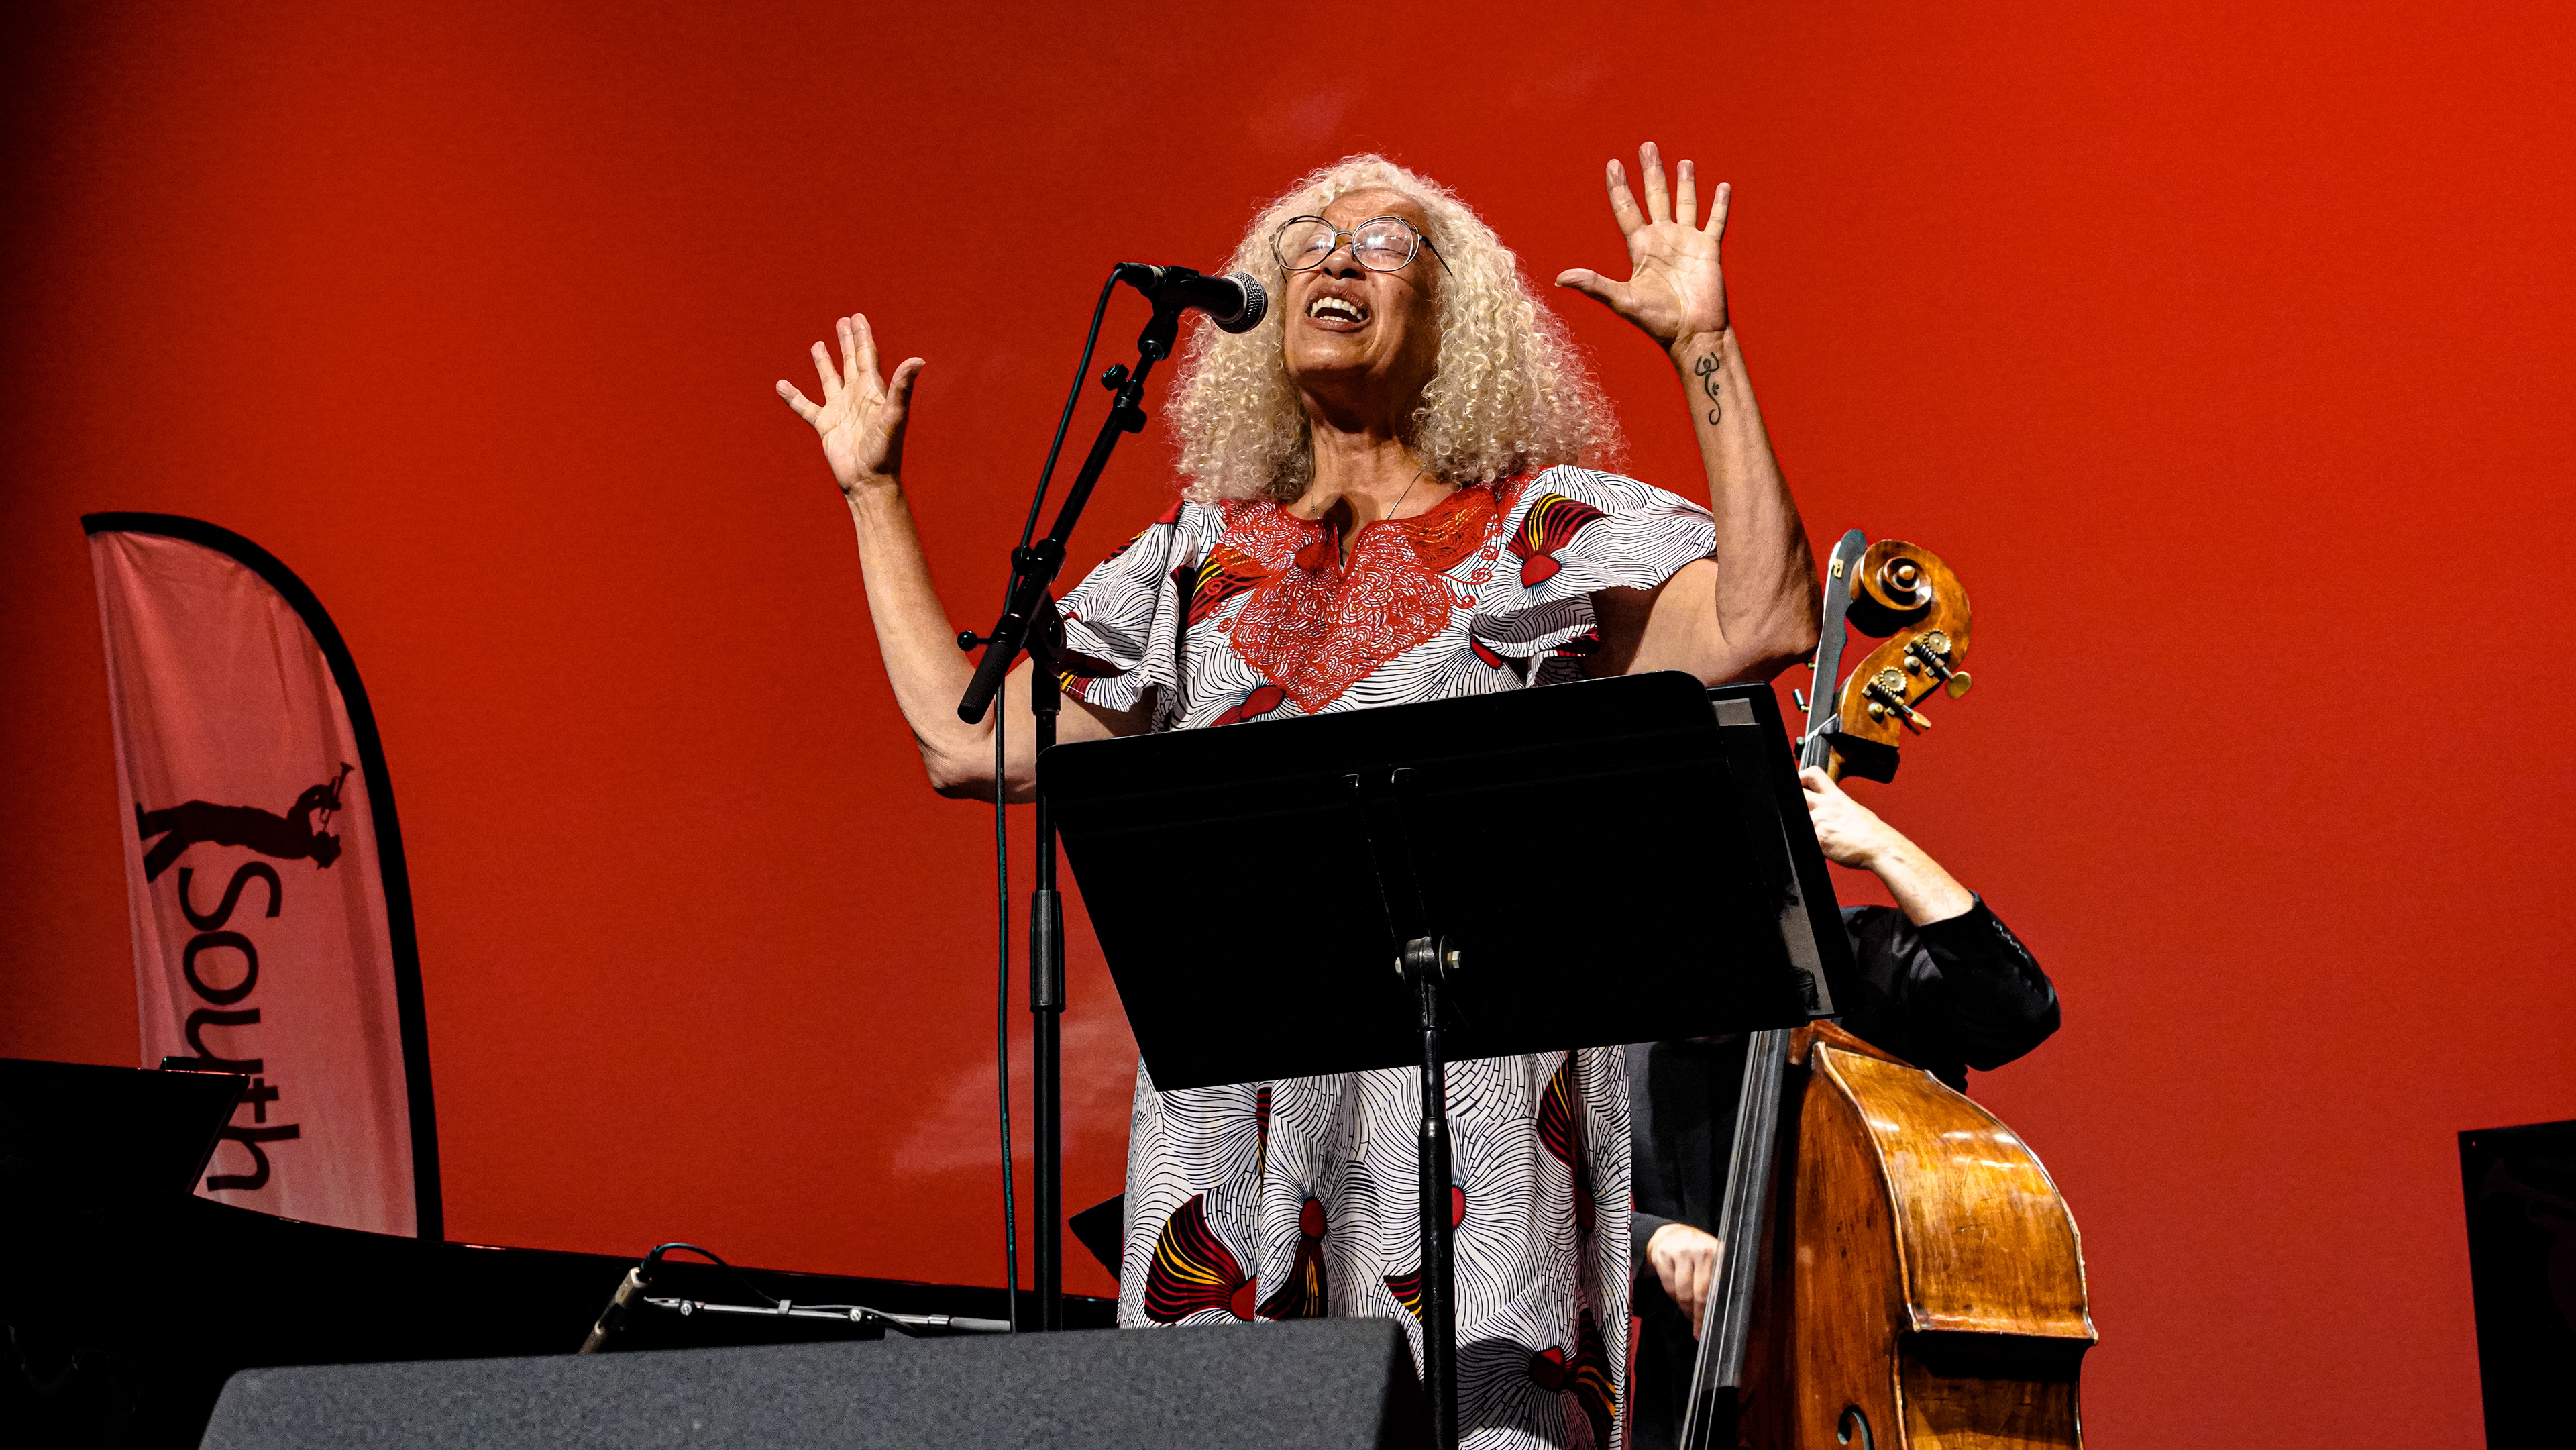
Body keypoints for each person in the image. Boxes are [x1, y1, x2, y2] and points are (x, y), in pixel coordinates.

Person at [777, 144, 1819, 1449]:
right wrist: (872, 492)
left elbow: (1765, 619)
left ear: (1457, 319)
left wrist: (1704, 349)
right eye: (1310, 238)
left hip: (1472, 1126)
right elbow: (964, 740)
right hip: (1238, 1122)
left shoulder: (1541, 530)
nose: (1335, 255)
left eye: (1385, 243)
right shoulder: (1195, 559)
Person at [1624, 766, 2062, 1449]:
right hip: (1689, 1417)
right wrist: (1652, 1240)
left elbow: (2021, 1015)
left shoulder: (1869, 967)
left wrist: (1885, 847)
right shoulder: (1618, 1039)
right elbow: (1548, 1221)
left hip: (1867, 1407)